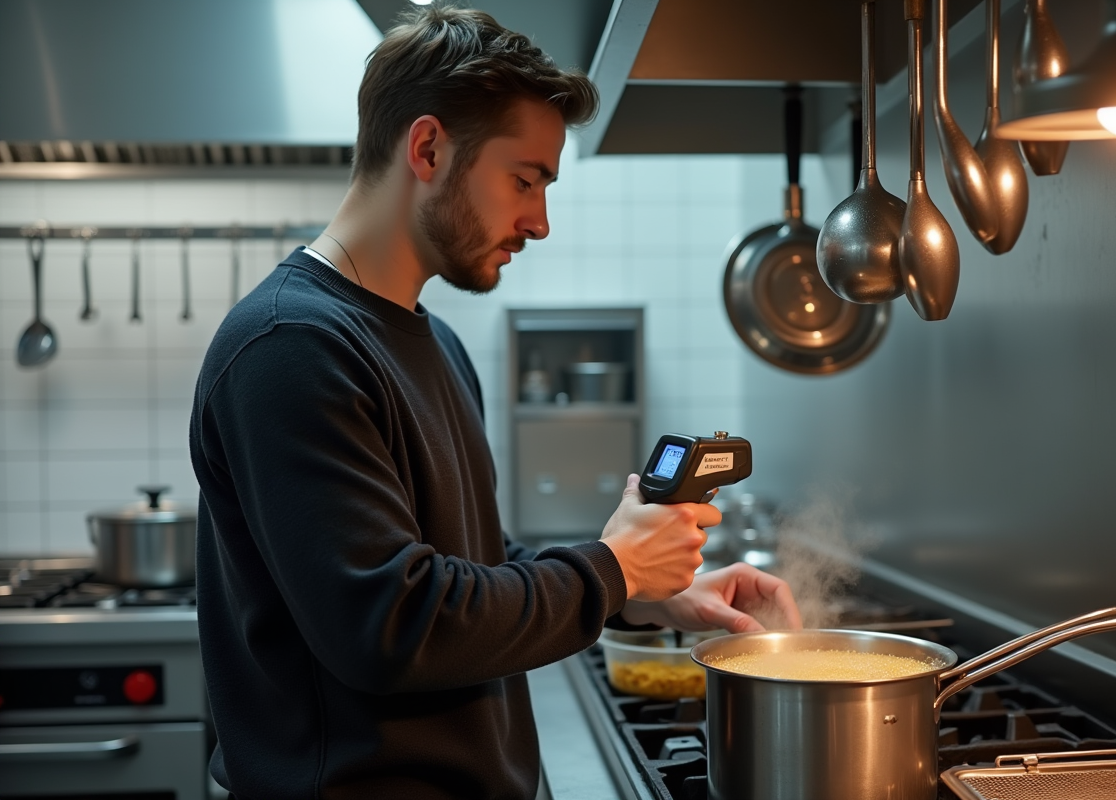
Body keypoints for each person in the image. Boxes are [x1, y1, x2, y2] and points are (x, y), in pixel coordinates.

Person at [189, 6, 801, 799]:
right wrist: (611, 570)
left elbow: (478, 569)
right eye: (525, 180)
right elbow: (393, 627)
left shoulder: (431, 342)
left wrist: (646, 597)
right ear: (428, 147)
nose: (540, 223)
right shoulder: (289, 348)